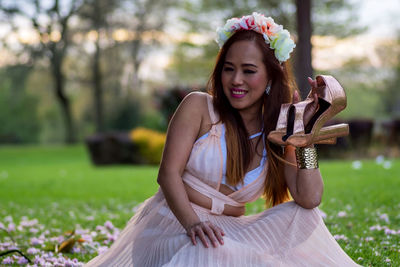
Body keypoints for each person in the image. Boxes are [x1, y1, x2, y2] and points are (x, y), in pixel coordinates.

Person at [86, 12, 360, 266]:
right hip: (176, 224)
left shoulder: (279, 126)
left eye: (249, 71)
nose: (236, 80)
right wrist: (193, 224)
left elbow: (309, 198)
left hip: (227, 230)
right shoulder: (198, 107)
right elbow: (168, 174)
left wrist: (306, 136)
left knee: (303, 215)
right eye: (229, 68)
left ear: (269, 78)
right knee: (209, 250)